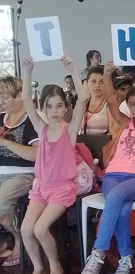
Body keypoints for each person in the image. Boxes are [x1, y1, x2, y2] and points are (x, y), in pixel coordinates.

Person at [81, 61, 135, 274]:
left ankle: (98, 251)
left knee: (115, 198)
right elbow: (110, 100)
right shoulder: (124, 122)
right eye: (132, 104)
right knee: (120, 209)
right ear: (127, 106)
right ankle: (125, 259)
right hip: (112, 175)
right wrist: (108, 74)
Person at [19, 55, 85, 274]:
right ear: (44, 109)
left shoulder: (70, 130)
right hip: (41, 187)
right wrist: (28, 71)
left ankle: (55, 264)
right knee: (26, 228)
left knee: (39, 228)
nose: (54, 111)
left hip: (63, 187)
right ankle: (38, 267)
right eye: (49, 107)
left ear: (65, 107)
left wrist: (73, 69)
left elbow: (83, 100)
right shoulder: (42, 128)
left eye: (59, 106)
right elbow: (27, 99)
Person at [0, 75, 39, 267]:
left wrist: (5, 142)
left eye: (5, 98)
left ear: (19, 96)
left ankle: (18, 239)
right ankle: (6, 238)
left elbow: (36, 155)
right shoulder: (1, 118)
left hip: (23, 173)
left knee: (1, 201)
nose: (1, 102)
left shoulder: (32, 119)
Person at [80, 66, 116, 135]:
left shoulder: (110, 104)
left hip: (104, 144)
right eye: (93, 82)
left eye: (101, 82)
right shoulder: (82, 104)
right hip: (82, 143)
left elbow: (113, 132)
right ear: (87, 84)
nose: (97, 85)